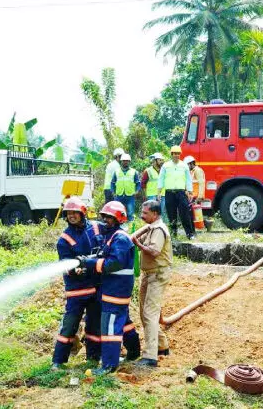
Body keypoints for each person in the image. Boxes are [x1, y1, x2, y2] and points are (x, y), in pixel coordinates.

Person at [80, 201, 140, 375]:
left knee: (111, 327)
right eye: (104, 216)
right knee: (123, 321)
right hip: (113, 290)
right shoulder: (113, 236)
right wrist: (89, 259)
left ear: (119, 219)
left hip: (116, 290)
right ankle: (134, 351)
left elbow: (114, 263)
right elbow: (105, 255)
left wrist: (90, 263)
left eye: (110, 217)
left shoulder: (120, 238)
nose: (105, 220)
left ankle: (109, 365)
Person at [51, 197, 102, 369]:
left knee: (94, 326)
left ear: (83, 213)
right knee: (69, 326)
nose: (71, 216)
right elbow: (65, 264)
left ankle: (93, 358)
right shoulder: (64, 239)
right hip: (77, 291)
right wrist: (75, 270)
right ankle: (58, 361)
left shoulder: (96, 227)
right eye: (68, 213)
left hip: (95, 288)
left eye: (75, 213)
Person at [132, 200, 173, 368]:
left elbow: (155, 252)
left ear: (155, 214)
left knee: (150, 313)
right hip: (149, 274)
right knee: (144, 312)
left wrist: (138, 245)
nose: (142, 215)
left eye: (145, 213)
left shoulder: (159, 230)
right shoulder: (150, 227)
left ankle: (150, 356)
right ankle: (162, 346)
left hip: (158, 274)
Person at [158, 146, 195, 239]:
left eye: (178, 154)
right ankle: (173, 234)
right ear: (171, 154)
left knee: (185, 213)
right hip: (169, 193)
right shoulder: (166, 166)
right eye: (175, 153)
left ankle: (189, 234)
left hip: (181, 193)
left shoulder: (184, 165)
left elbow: (188, 179)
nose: (176, 155)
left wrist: (190, 191)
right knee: (171, 214)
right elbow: (161, 178)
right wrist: (159, 191)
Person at [111, 153, 141, 221]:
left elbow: (138, 183)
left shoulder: (134, 172)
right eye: (124, 160)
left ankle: (130, 227)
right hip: (119, 195)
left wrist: (136, 191)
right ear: (121, 161)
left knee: (130, 213)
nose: (125, 162)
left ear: (129, 161)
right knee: (118, 212)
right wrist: (113, 192)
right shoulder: (116, 171)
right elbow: (112, 183)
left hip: (130, 195)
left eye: (127, 161)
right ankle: (118, 226)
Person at [141, 153, 166, 221]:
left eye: (162, 160)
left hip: (162, 194)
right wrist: (145, 195)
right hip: (152, 195)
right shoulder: (148, 171)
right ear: (154, 161)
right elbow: (143, 184)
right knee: (152, 212)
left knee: (162, 212)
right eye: (160, 160)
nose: (161, 162)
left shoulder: (164, 170)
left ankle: (161, 226)